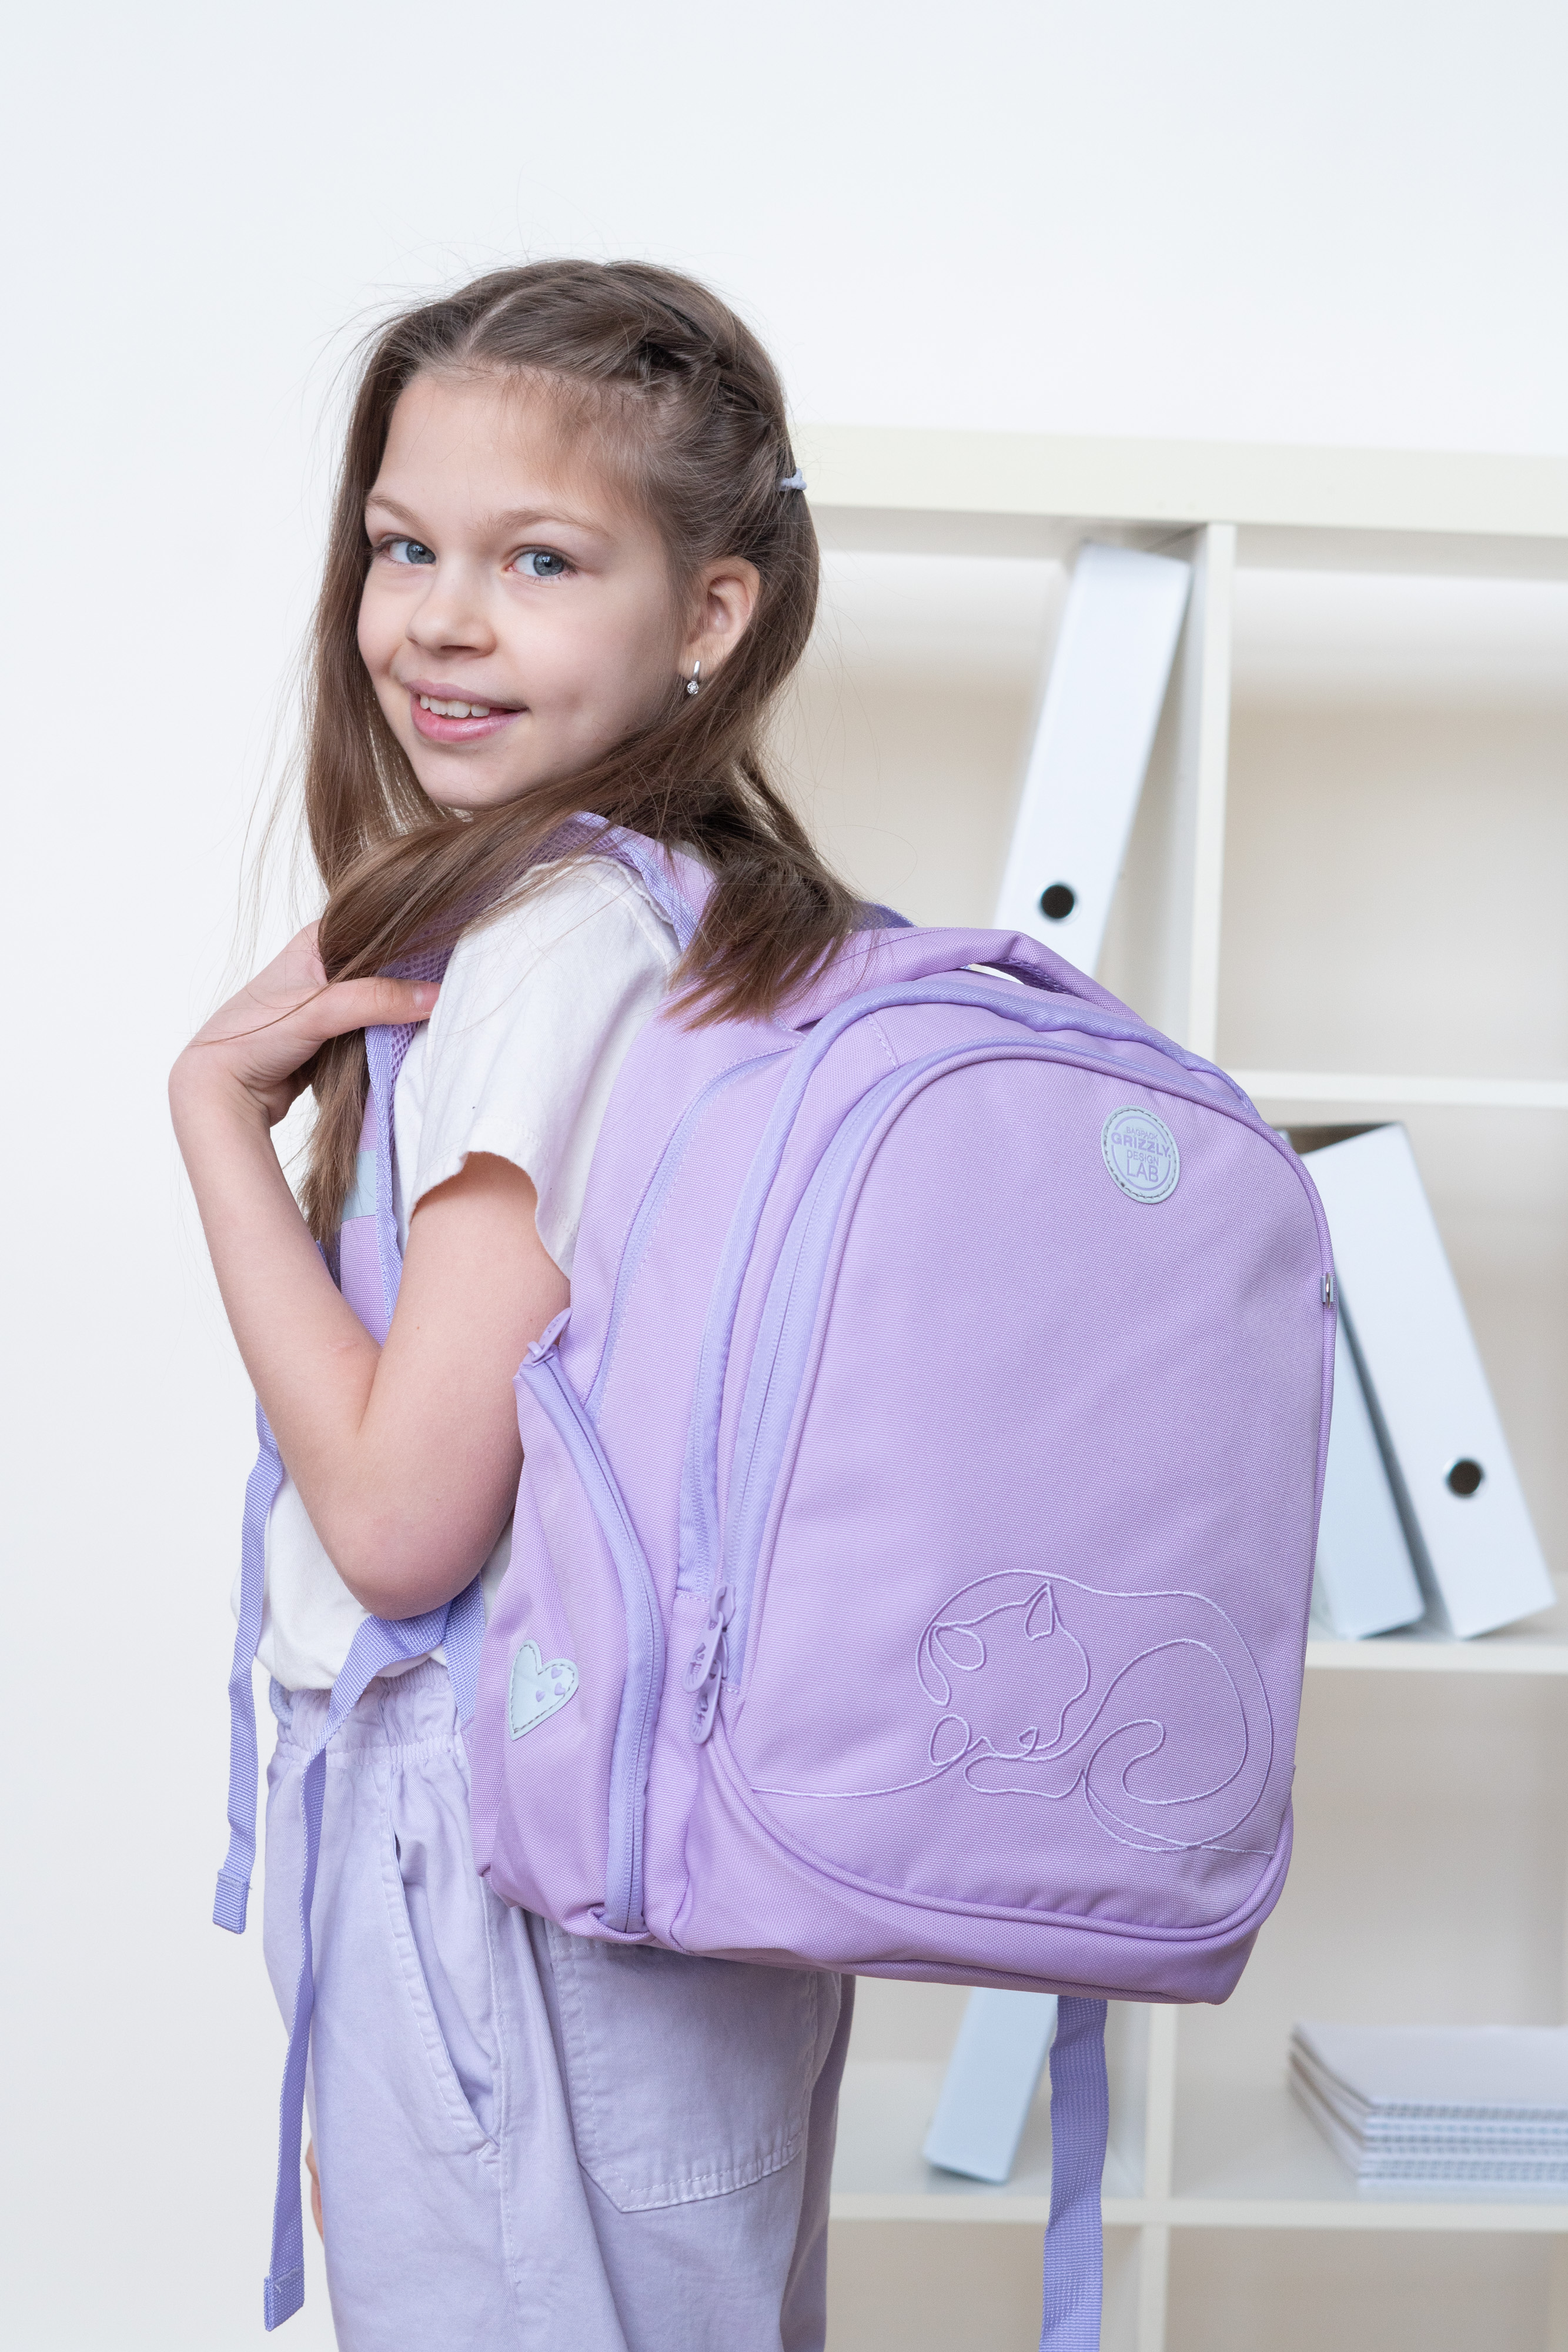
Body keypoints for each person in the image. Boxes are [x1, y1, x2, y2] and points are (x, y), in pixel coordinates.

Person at [170, 260, 861, 2352]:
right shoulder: (727, 920)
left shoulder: (554, 943)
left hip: (491, 1847)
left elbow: (402, 1524)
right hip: (662, 1835)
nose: (438, 621)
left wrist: (213, 1119)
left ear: (711, 611)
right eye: (404, 548)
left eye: (538, 560)